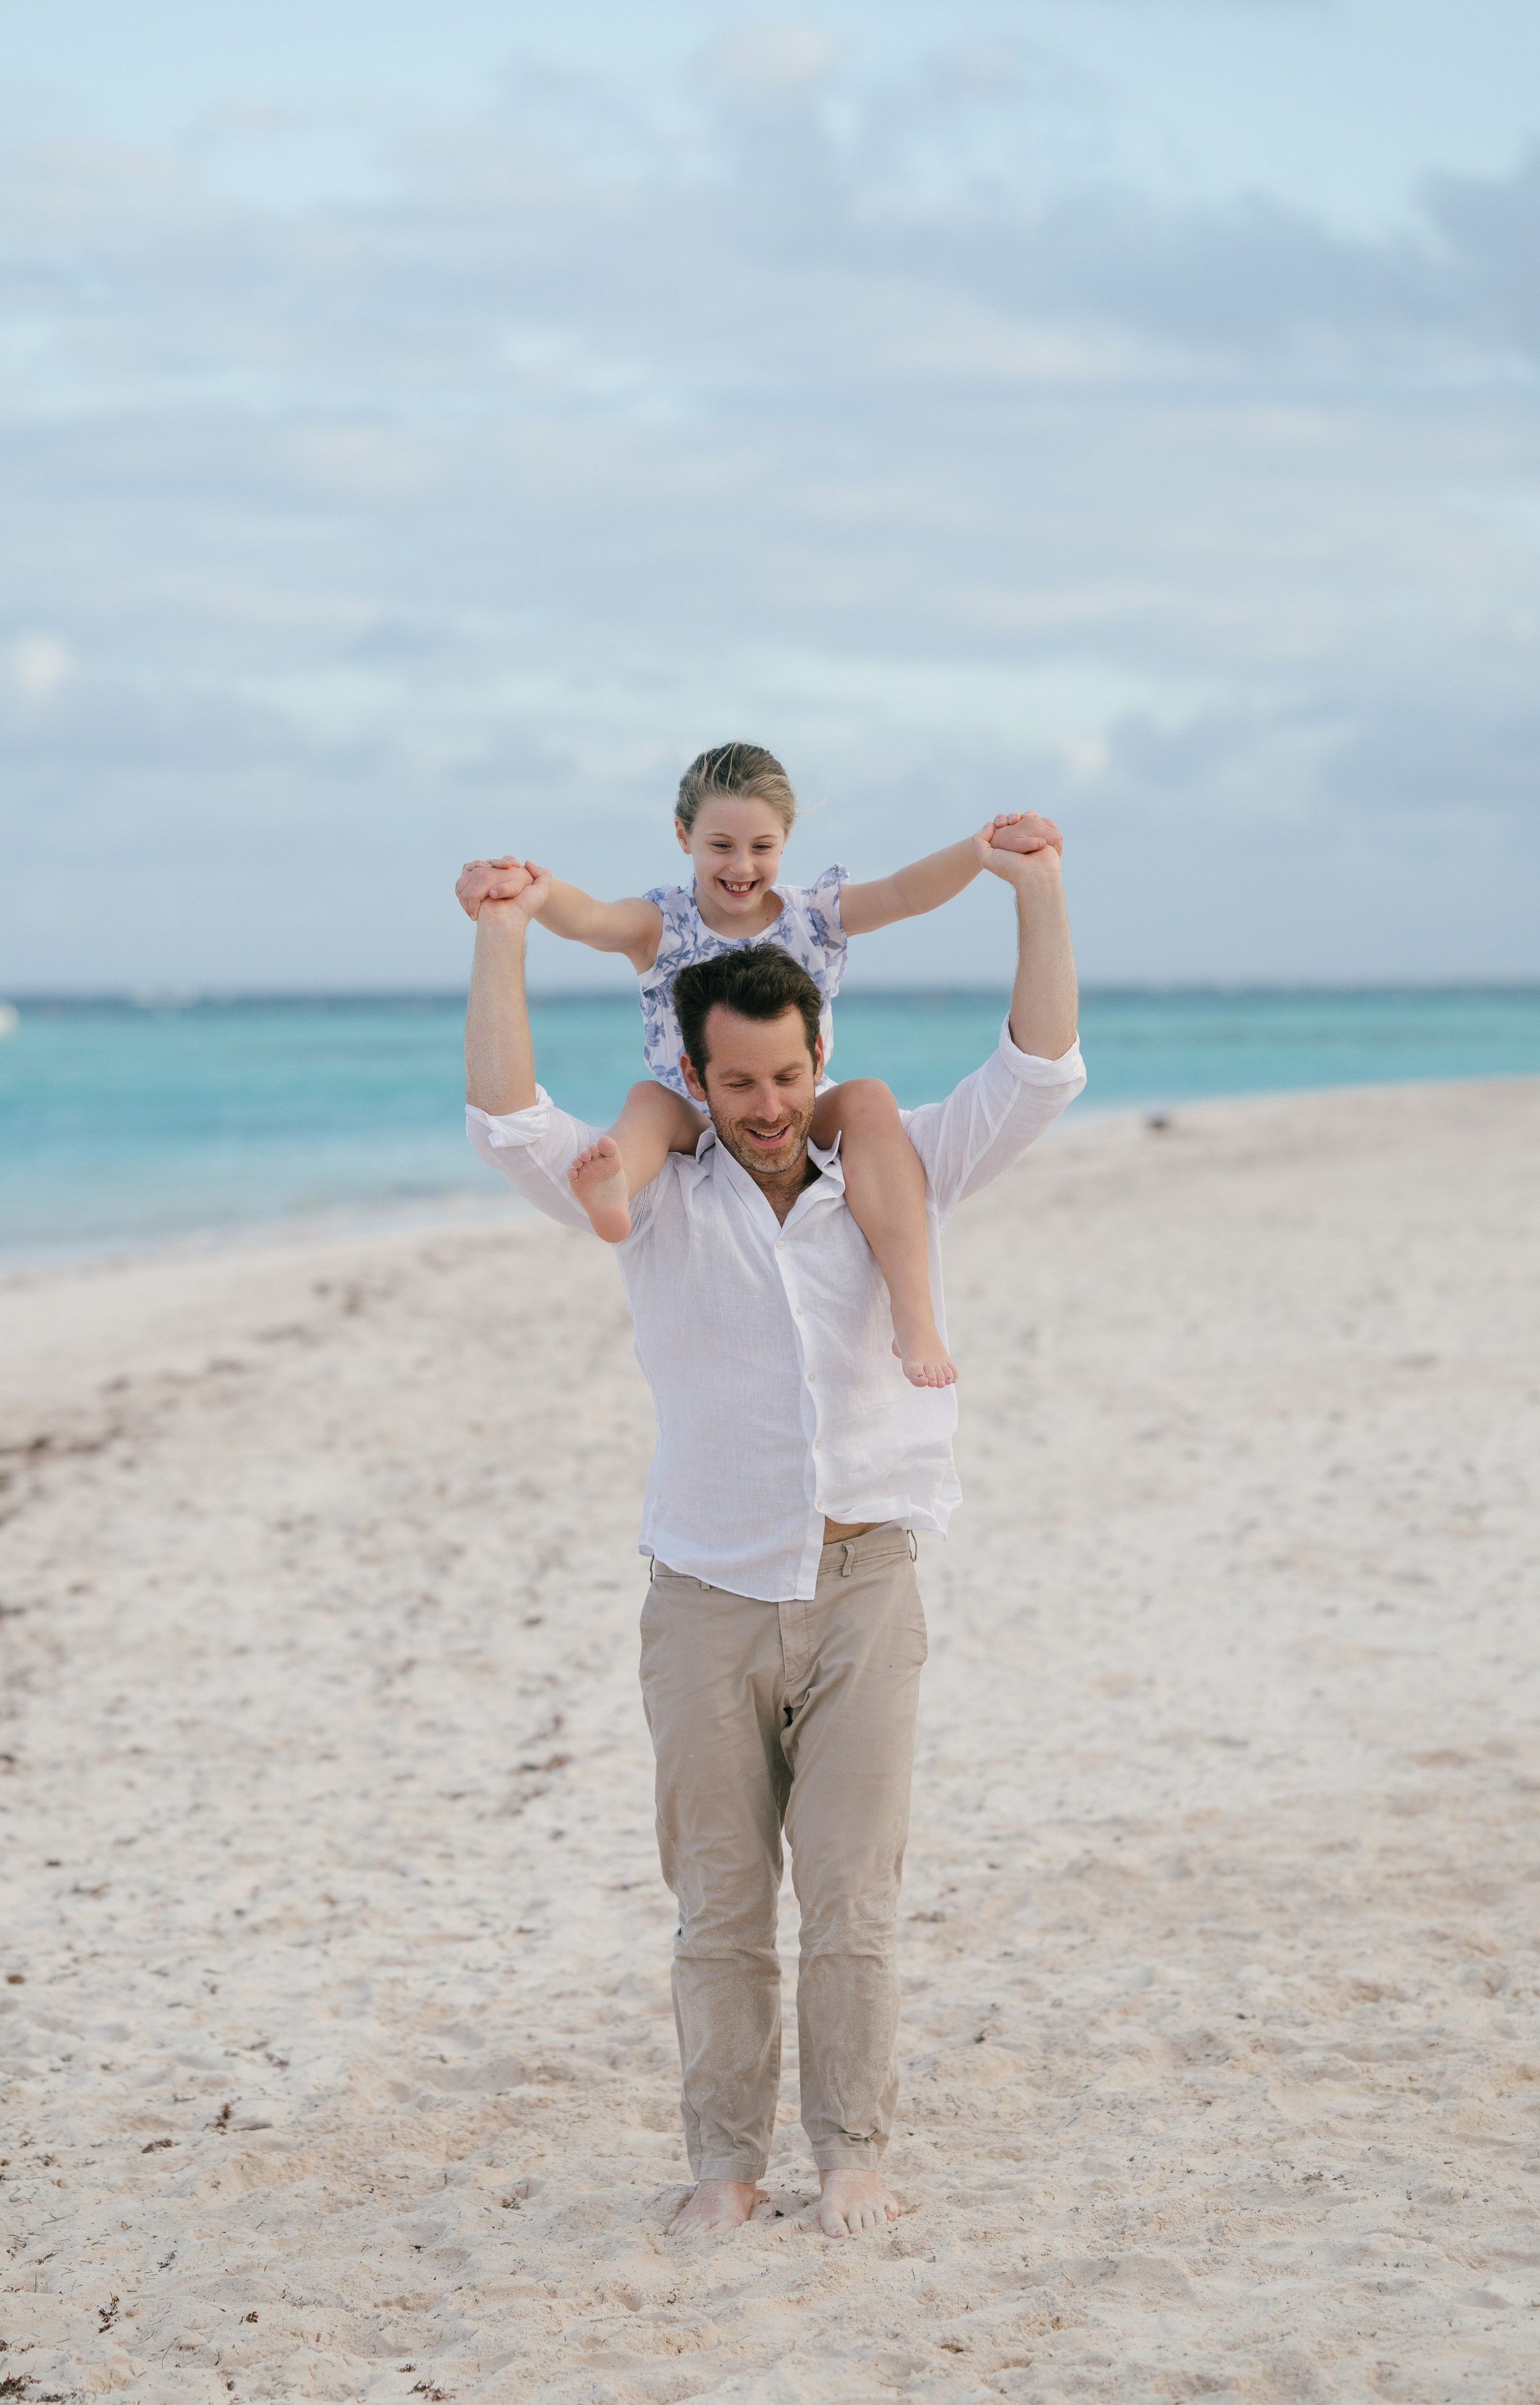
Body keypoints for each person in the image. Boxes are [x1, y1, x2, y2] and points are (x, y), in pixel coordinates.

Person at [461, 811, 1084, 2239]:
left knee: (853, 1898)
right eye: (737, 1081)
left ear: (819, 1058)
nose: (767, 1105)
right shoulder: (658, 1197)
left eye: (790, 1076)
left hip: (866, 1584)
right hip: (706, 1597)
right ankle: (725, 2166)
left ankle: (851, 2153)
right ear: (695, 1076)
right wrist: (502, 938)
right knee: (722, 1905)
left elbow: (1036, 1070)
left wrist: (1036, 893)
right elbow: (508, 1119)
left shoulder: (896, 1168)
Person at [456, 740, 1060, 1388]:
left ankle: (914, 1315)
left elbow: (904, 893)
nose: (741, 866)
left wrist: (979, 852)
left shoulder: (816, 916)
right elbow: (590, 919)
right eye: (721, 845)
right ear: (684, 835)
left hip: (801, 1105)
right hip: (694, 1109)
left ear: (786, 839)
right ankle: (615, 1191)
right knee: (648, 1104)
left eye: (761, 846)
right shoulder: (660, 923)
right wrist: (533, 892)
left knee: (869, 1098)